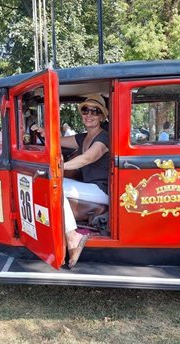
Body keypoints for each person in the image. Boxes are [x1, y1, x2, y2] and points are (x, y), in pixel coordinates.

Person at [60, 94, 110, 268]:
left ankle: (73, 235)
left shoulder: (104, 137)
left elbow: (87, 158)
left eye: (95, 111)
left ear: (102, 116)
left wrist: (59, 167)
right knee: (54, 185)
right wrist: (43, 132)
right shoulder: (83, 137)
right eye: (85, 110)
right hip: (90, 188)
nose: (89, 114)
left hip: (102, 190)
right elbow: (57, 141)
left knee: (56, 186)